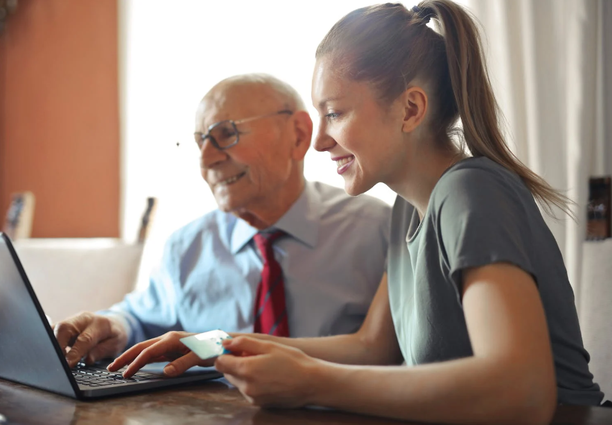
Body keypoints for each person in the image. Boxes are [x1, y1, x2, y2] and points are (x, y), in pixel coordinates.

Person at [108, 2, 604, 424]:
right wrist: (215, 345)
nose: (320, 141)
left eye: (335, 113)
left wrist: (311, 383)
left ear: (410, 110)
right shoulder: (407, 211)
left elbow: (523, 391)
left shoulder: (471, 192)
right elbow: (373, 347)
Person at [53, 74, 392, 369]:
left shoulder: (377, 231)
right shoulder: (187, 246)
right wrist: (114, 326)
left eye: (225, 134)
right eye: (201, 141)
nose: (206, 160)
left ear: (299, 135)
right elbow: (141, 318)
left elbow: (391, 353)